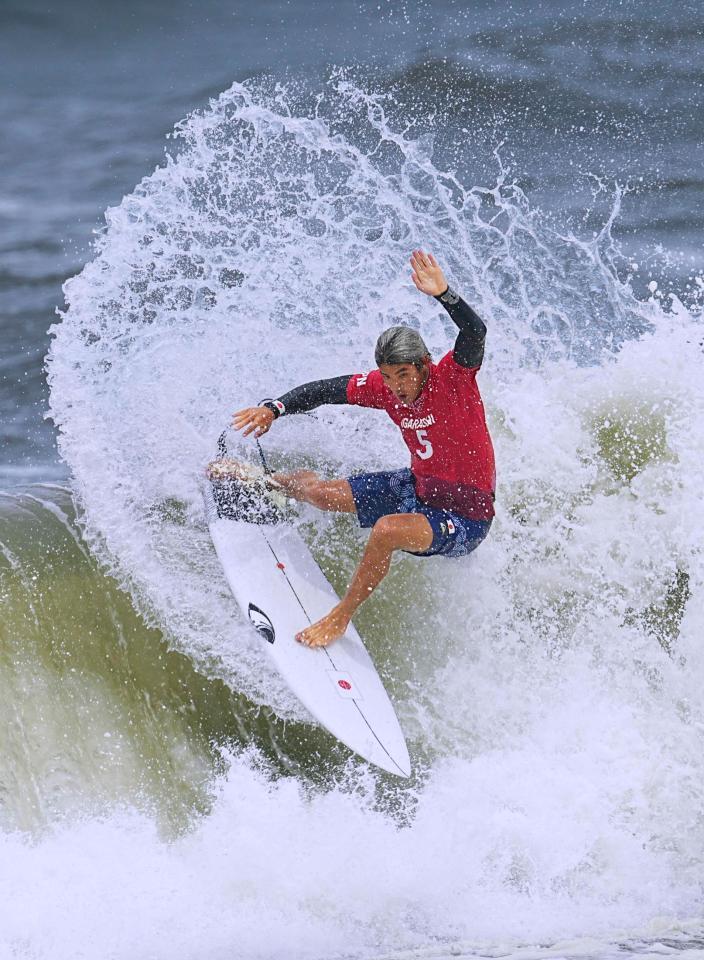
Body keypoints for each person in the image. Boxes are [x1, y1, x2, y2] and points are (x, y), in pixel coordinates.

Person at [232, 250, 496, 648]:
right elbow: (324, 391)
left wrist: (444, 295)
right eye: (388, 378)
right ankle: (263, 480)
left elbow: (475, 334)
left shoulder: (453, 381)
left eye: (404, 375)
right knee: (319, 495)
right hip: (418, 488)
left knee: (387, 530)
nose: (397, 388)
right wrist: (274, 408)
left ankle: (340, 617)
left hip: (466, 516)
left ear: (424, 364)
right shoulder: (384, 390)